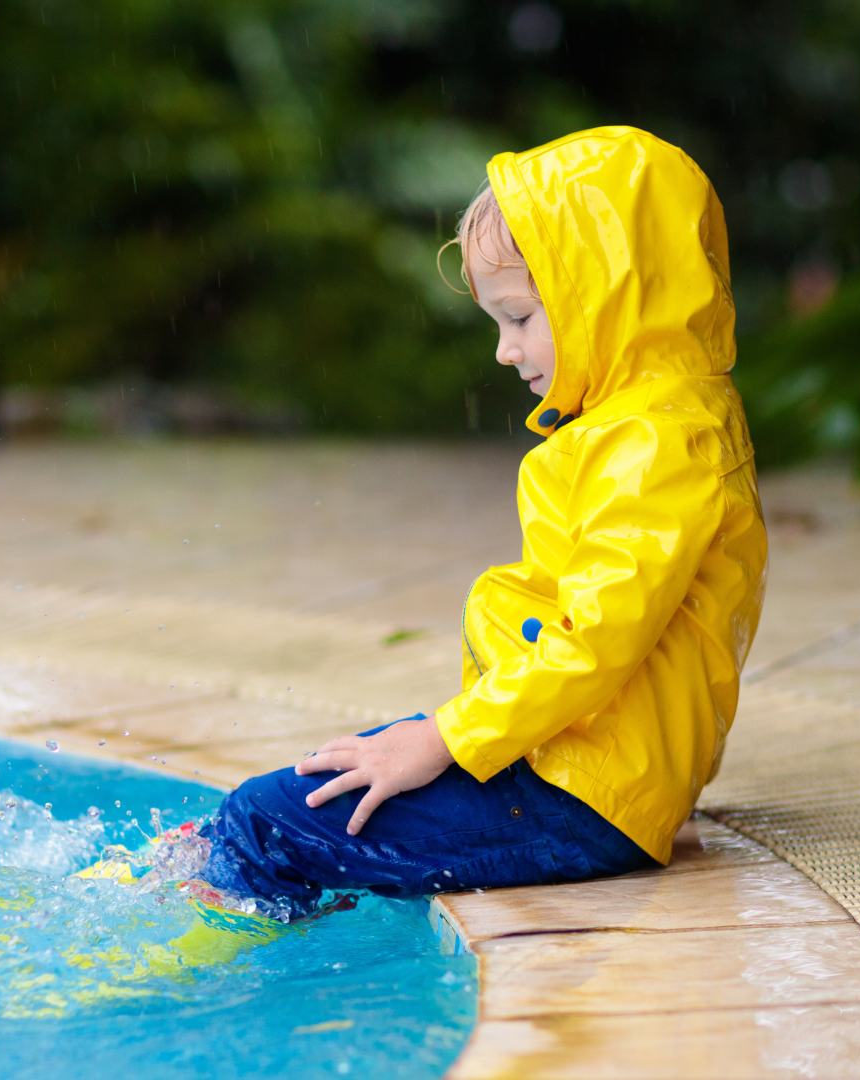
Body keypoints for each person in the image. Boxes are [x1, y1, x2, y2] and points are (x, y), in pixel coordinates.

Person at [178, 125, 770, 921]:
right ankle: (202, 871)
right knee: (323, 780)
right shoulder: (655, 422)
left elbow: (597, 641)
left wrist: (447, 739)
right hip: (578, 767)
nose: (504, 350)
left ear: (606, 296)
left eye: (519, 317)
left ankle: (185, 944)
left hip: (582, 798)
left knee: (268, 821)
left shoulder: (655, 445)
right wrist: (446, 736)